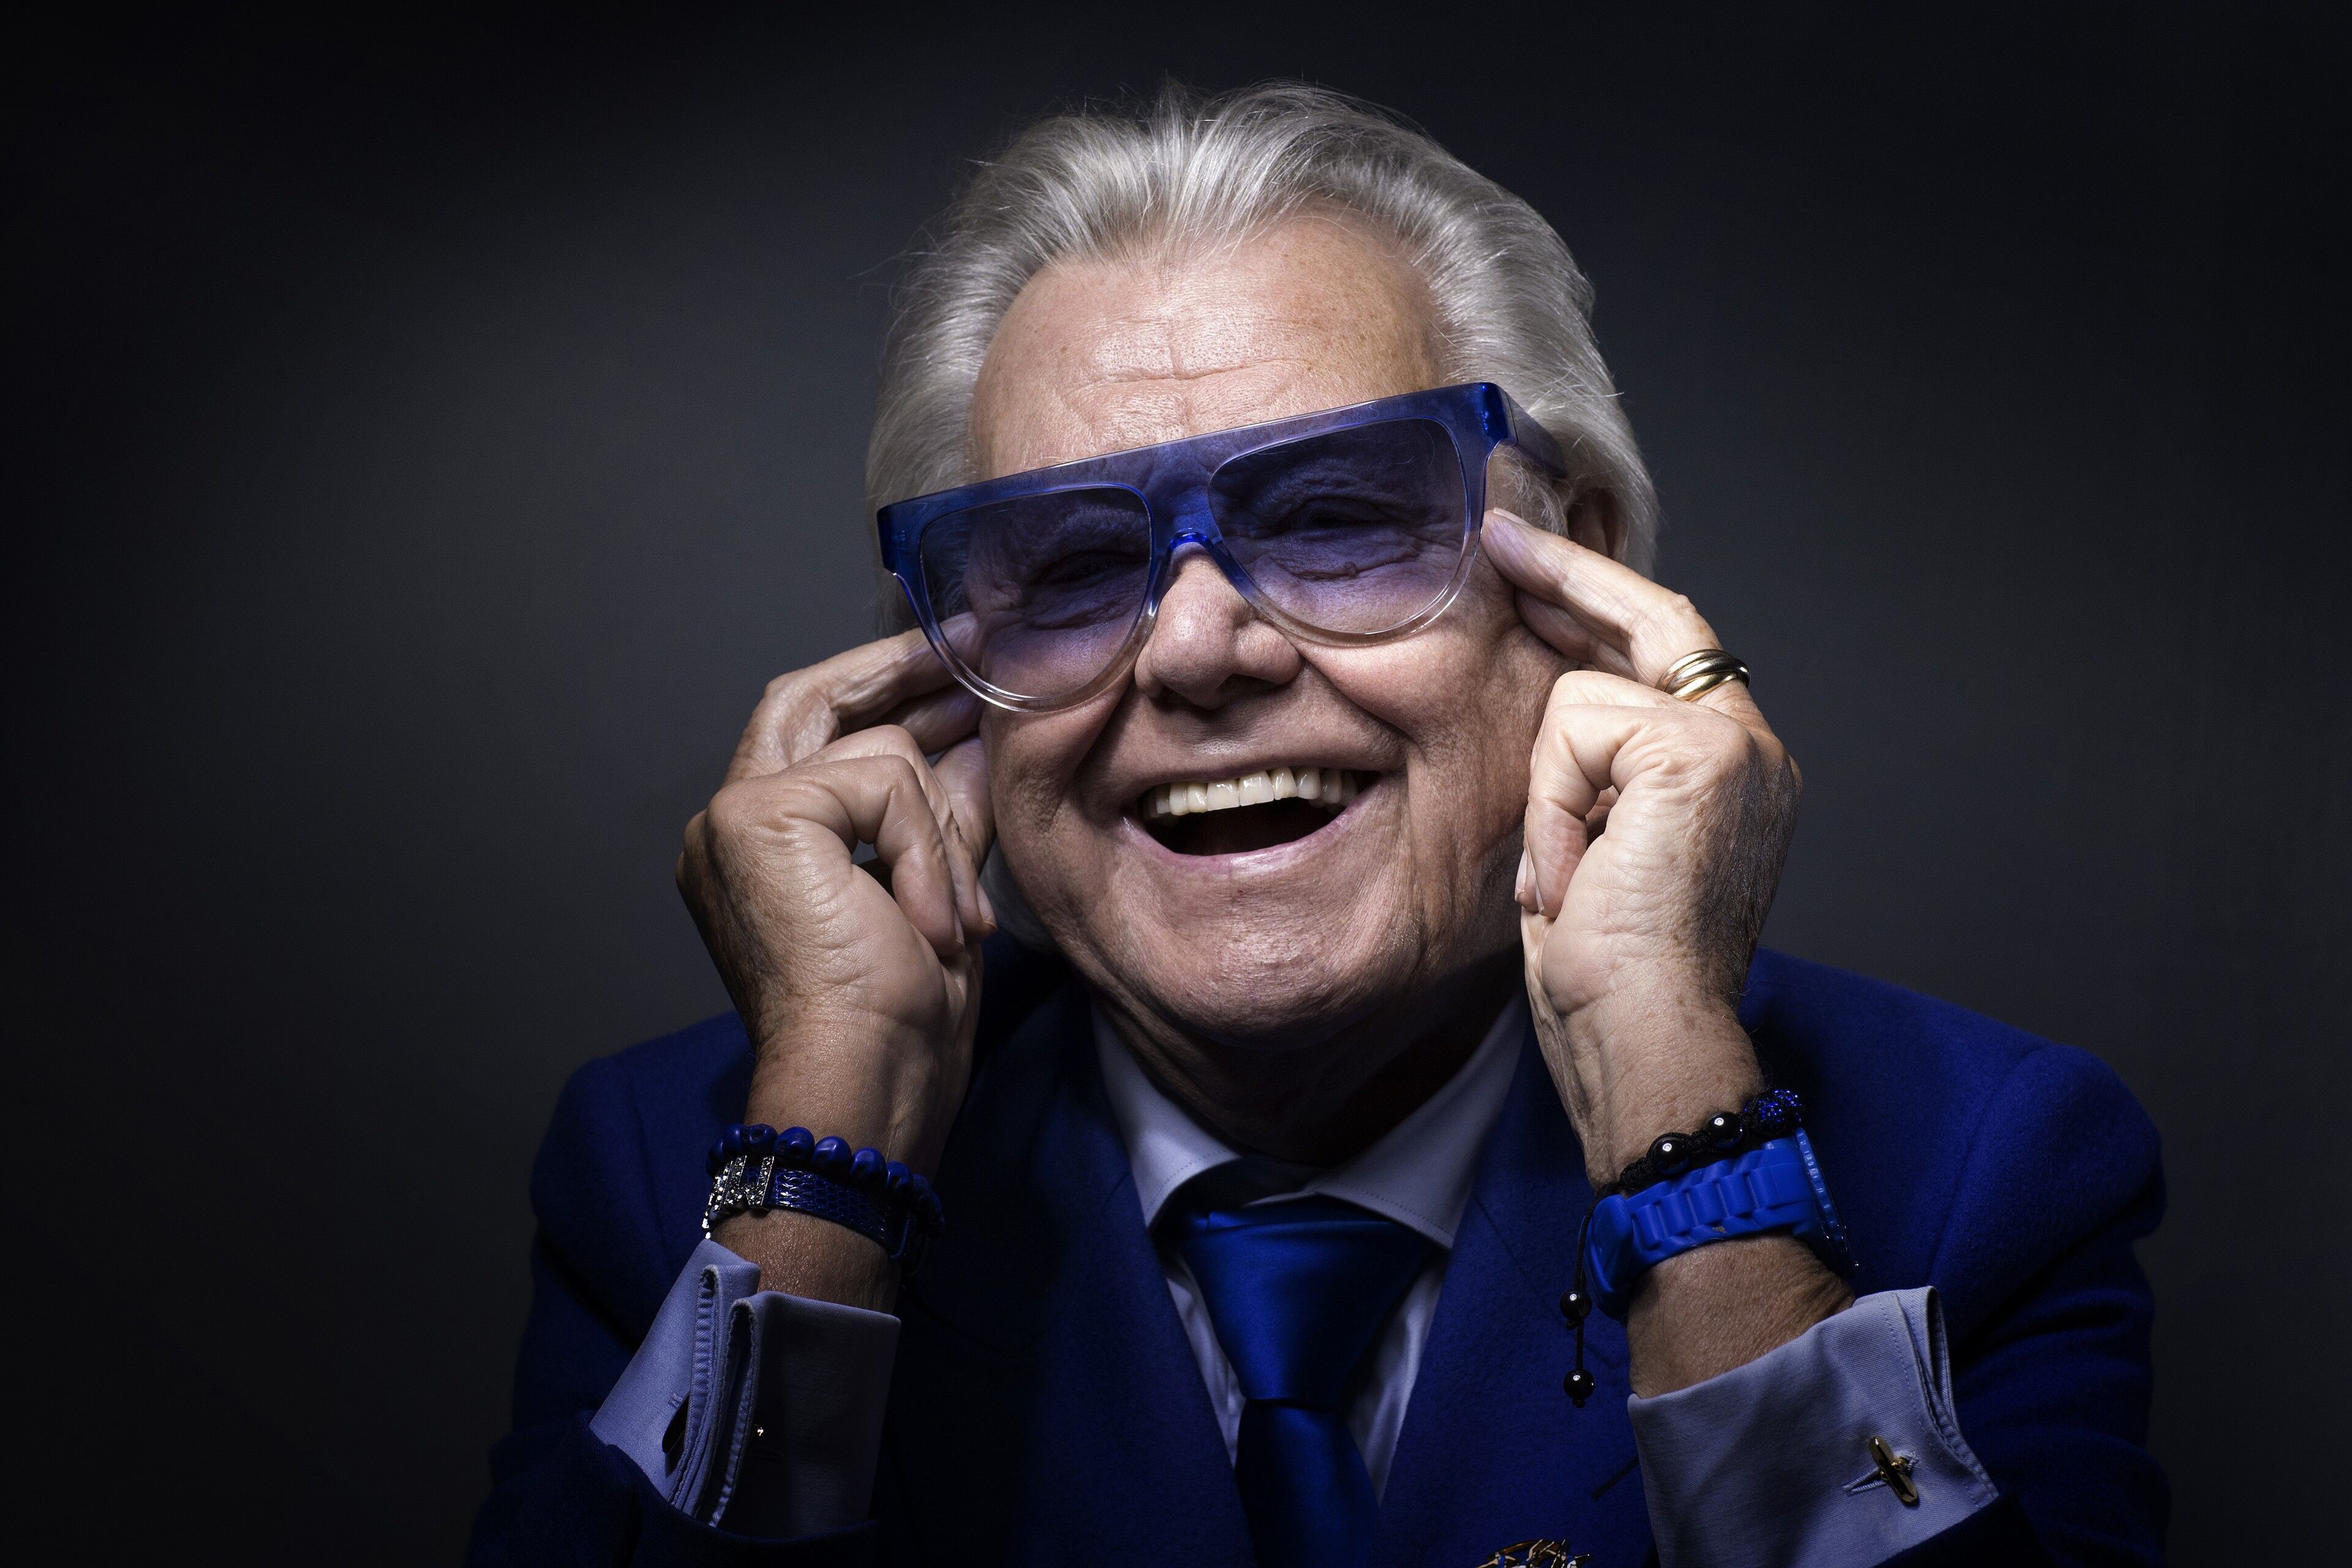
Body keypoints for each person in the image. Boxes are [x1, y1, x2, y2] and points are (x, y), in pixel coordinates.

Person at [467, 85, 2164, 1568]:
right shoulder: (685, 1172)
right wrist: (832, 1148)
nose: (1199, 650)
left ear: (1578, 575)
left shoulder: (1979, 1168)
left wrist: (1667, 1078)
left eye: (1338, 518)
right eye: (1073, 564)